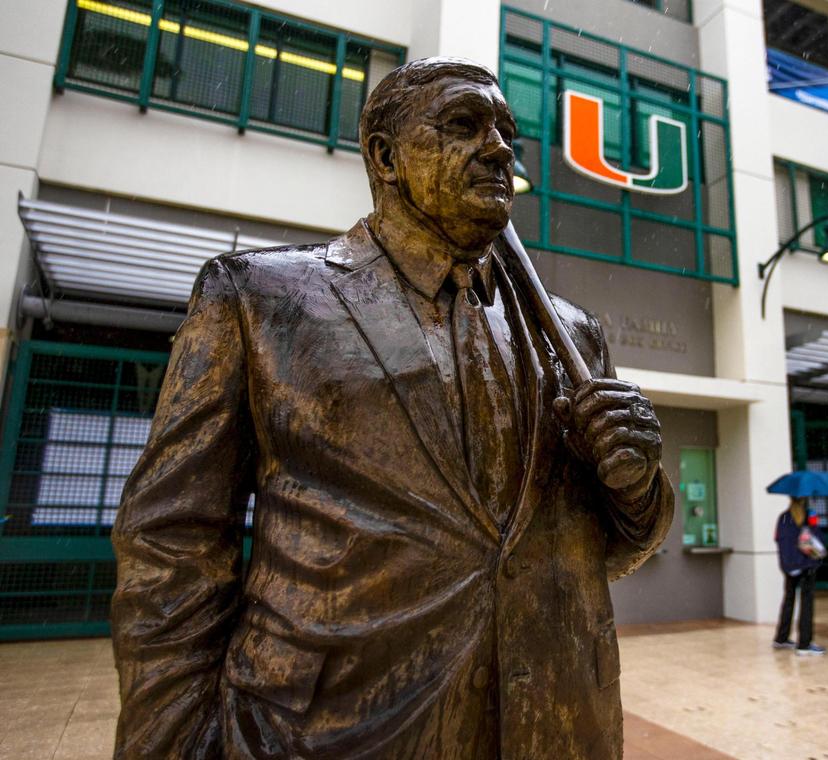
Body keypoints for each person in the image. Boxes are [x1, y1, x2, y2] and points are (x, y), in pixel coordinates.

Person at [109, 57, 674, 759]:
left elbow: (606, 550)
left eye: (506, 131)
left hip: (556, 722)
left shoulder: (572, 334)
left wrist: (638, 486)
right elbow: (172, 545)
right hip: (333, 731)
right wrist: (173, 744)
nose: (499, 148)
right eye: (464, 125)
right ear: (385, 155)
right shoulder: (261, 299)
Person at [773, 498, 827, 655]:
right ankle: (804, 643)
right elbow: (818, 538)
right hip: (806, 565)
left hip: (789, 566)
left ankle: (781, 637)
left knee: (789, 599)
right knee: (806, 602)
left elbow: (778, 539)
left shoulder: (783, 517)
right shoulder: (810, 516)